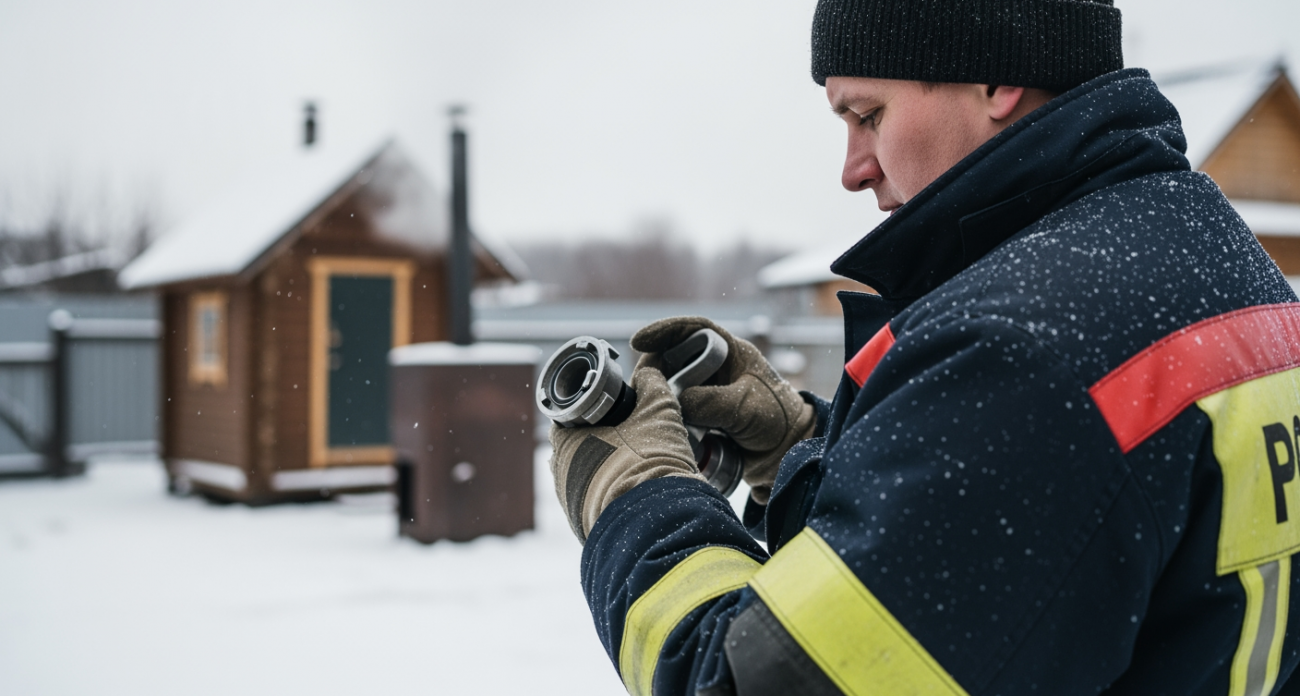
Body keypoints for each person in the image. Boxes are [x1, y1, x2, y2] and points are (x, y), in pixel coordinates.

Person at [550, 0, 1300, 694]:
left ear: (996, 78)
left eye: (867, 115)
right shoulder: (1213, 257)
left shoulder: (1023, 352)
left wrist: (635, 494)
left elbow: (745, 678)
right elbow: (1053, 552)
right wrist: (812, 451)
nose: (852, 168)